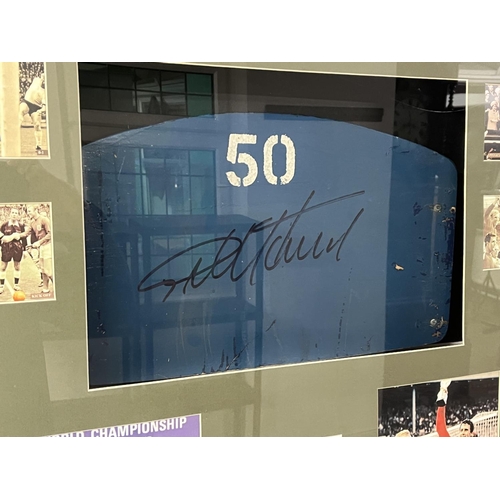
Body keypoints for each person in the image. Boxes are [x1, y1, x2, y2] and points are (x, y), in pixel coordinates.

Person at [0, 206, 27, 293]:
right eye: (13, 213)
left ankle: (16, 285)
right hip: (6, 247)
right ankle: (1, 286)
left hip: (17, 248)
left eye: (16, 213)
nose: (14, 214)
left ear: (18, 215)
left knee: (17, 266)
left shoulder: (21, 225)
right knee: (3, 267)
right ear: (10, 214)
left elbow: (24, 238)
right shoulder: (4, 225)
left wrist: (25, 250)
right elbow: (1, 237)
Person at [26, 204, 52, 293]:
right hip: (41, 248)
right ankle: (45, 289)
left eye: (29, 211)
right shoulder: (32, 222)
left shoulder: (44, 219)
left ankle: (59, 288)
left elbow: (50, 234)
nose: (28, 213)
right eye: (27, 211)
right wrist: (14, 236)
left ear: (35, 210)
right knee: (43, 270)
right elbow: (25, 234)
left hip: (48, 246)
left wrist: (39, 242)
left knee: (49, 271)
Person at [19, 72, 46, 152]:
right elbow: (42, 74)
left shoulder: (46, 93)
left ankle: (39, 145)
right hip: (26, 102)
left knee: (37, 125)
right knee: (20, 114)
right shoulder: (36, 80)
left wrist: (39, 112)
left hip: (36, 108)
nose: (44, 81)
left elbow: (44, 107)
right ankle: (11, 137)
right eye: (43, 79)